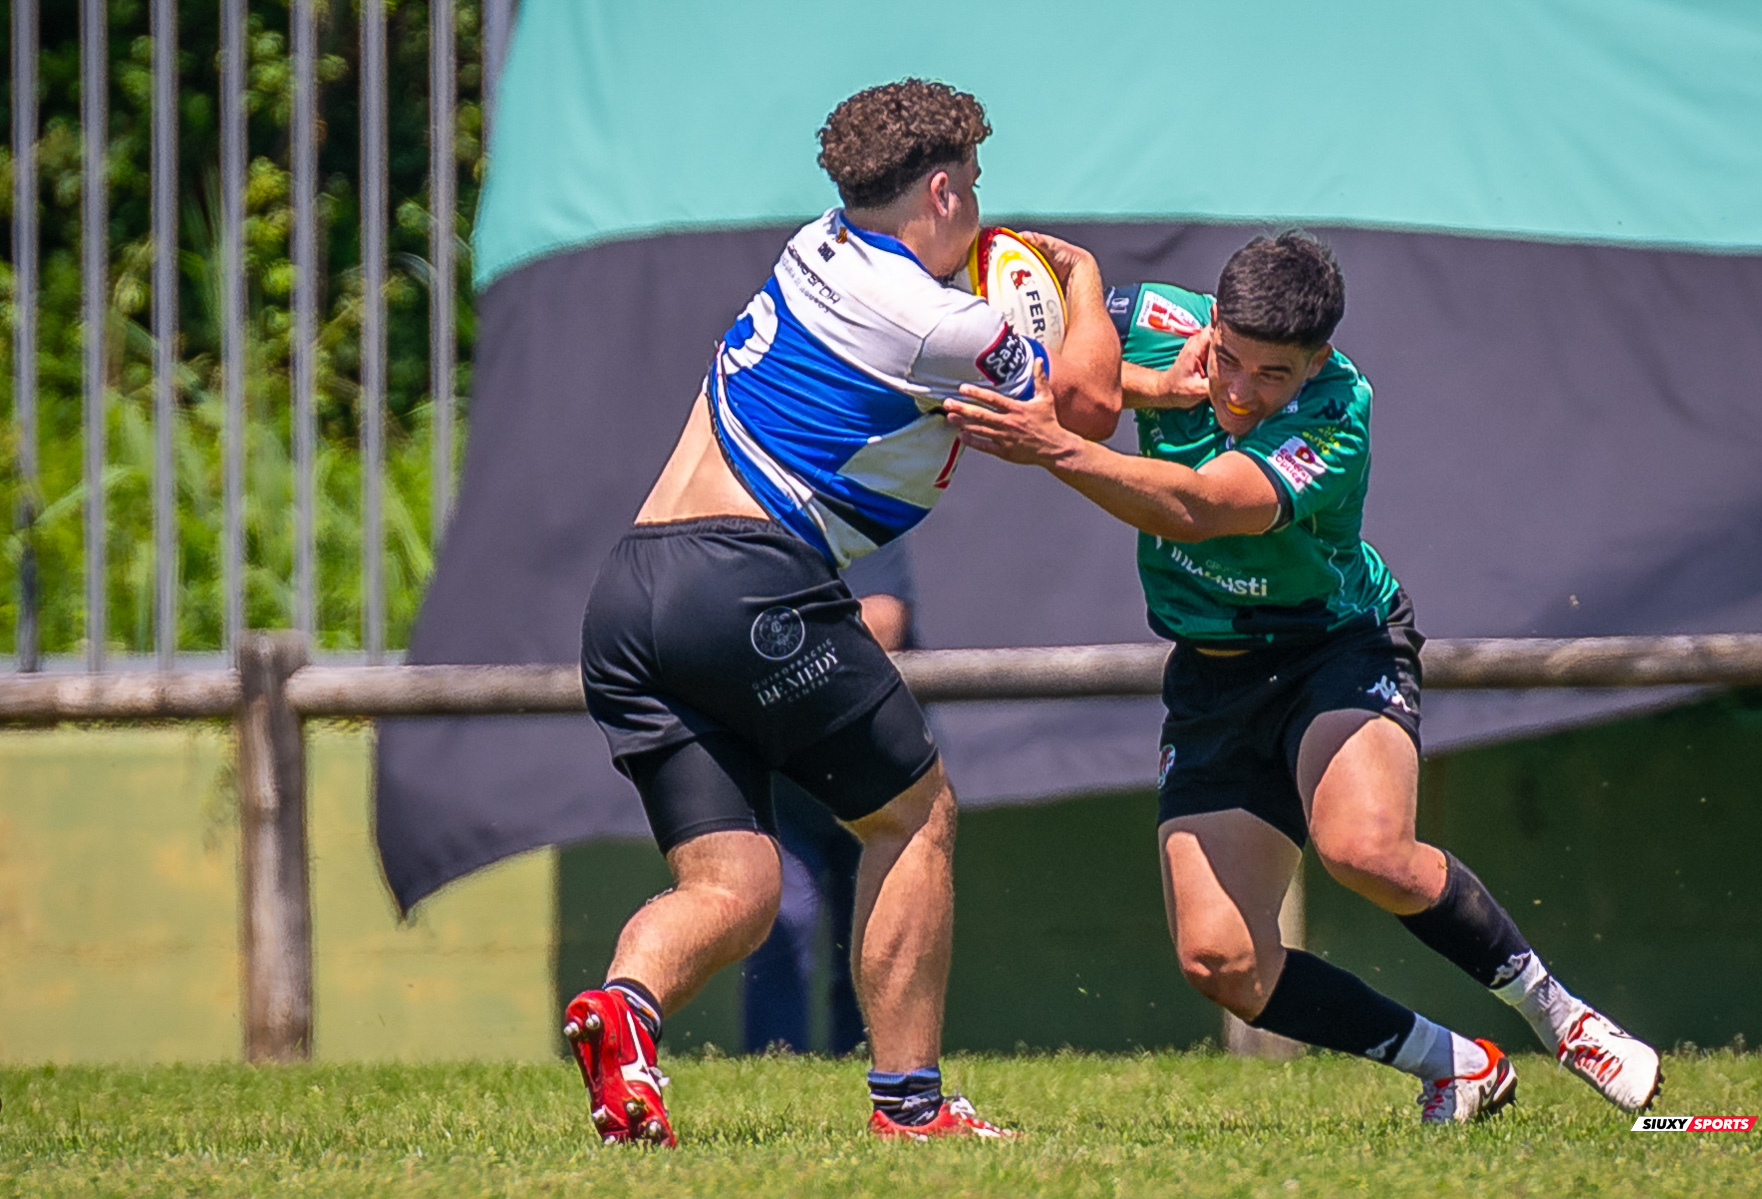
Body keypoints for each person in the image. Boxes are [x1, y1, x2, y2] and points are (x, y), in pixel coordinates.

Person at [944, 232, 1661, 1124]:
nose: (1239, 393)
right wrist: (1101, 309)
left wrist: (1052, 447)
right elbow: (1068, 384)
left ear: (1314, 360)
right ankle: (1459, 1065)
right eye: (1229, 362)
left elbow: (1200, 507)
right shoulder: (1156, 323)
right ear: (1212, 318)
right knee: (1221, 963)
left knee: (1364, 847)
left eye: (1269, 377)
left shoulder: (1337, 408)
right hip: (1211, 674)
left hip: (1336, 647)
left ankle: (1562, 1019)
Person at [568, 79, 1121, 1145]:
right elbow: (1082, 410)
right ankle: (911, 1106)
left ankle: (623, 1013)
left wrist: (1170, 384)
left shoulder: (816, 245)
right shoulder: (938, 318)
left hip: (632, 592)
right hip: (746, 577)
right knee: (914, 814)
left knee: (738, 882)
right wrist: (1084, 280)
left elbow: (975, 379)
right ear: (948, 188)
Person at [741, 542, 917, 1057]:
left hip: (874, 778)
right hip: (780, 783)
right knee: (780, 929)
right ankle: (774, 1074)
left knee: (873, 941)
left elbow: (882, 625)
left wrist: (774, 654)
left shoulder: (859, 516)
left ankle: (883, 1078)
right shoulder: (743, 536)